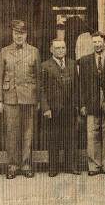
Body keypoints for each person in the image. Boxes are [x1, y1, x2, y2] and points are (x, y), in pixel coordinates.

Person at [0, 20, 41, 179]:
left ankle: (26, 164)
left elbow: (39, 77)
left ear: (26, 34)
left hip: (29, 97)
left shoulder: (34, 51)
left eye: (22, 34)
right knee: (11, 133)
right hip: (10, 98)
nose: (19, 36)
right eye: (16, 33)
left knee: (28, 133)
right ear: (12, 34)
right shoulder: (4, 51)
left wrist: (39, 100)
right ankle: (13, 166)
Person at [79, 31, 105, 176]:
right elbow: (81, 85)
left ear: (104, 42)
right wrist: (82, 104)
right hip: (91, 102)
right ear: (92, 43)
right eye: (94, 42)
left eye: (99, 41)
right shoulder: (84, 61)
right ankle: (94, 165)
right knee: (92, 134)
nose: (97, 44)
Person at [40, 40, 80, 177]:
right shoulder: (45, 66)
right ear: (51, 49)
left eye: (63, 47)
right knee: (54, 138)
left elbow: (76, 87)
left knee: (71, 138)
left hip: (69, 108)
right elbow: (41, 89)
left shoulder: (72, 63)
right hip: (53, 109)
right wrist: (46, 108)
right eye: (57, 48)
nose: (60, 50)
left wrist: (76, 105)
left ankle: (70, 166)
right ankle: (53, 167)